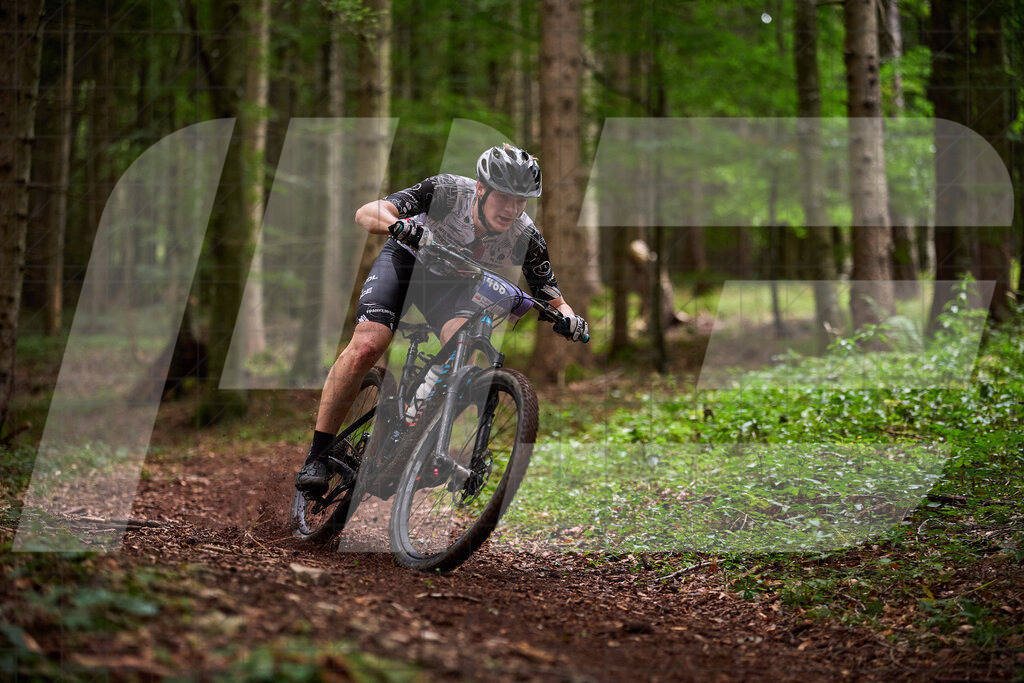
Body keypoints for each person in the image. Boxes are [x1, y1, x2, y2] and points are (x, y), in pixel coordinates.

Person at [295, 143, 590, 496]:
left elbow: (552, 297)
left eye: (521, 201)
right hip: (405, 264)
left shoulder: (526, 236)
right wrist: (399, 226)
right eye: (504, 197)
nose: (511, 209)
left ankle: (418, 440)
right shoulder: (447, 191)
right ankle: (316, 454)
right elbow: (366, 212)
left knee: (463, 349)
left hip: (452, 286)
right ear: (481, 188)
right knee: (367, 346)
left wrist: (571, 320)